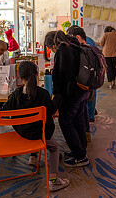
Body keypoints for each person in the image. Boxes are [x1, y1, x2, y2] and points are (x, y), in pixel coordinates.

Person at [2, 61, 69, 192]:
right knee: (54, 148)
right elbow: (50, 111)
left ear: (20, 78)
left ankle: (33, 157)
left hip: (22, 133)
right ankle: (54, 181)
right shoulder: (43, 94)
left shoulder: (16, 94)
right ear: (37, 74)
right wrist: (58, 98)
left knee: (31, 126)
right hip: (39, 134)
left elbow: (4, 111)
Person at [44, 31, 90, 167]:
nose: (52, 51)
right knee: (78, 120)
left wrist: (58, 97)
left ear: (53, 43)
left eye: (50, 48)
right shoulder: (73, 44)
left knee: (65, 122)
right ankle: (80, 150)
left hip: (72, 94)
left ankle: (80, 156)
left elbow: (63, 76)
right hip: (82, 90)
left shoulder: (62, 49)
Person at [67, 25, 96, 140]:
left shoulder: (81, 49)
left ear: (77, 37)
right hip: (91, 82)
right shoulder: (91, 43)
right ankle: (87, 130)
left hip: (83, 85)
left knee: (79, 113)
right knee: (85, 108)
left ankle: (81, 138)